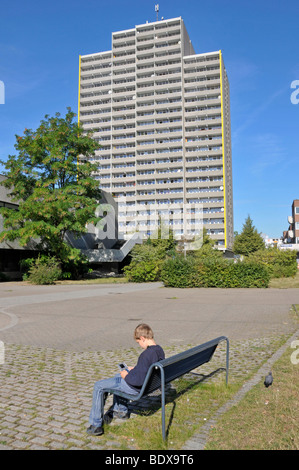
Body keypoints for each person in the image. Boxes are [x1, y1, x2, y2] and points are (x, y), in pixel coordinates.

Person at [87, 323, 165, 436]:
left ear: (142, 338)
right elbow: (148, 368)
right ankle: (121, 411)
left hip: (136, 388)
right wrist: (135, 368)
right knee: (117, 375)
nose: (139, 345)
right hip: (150, 384)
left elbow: (138, 381)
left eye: (138, 342)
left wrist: (126, 376)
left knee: (99, 386)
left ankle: (95, 425)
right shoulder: (159, 350)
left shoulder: (146, 355)